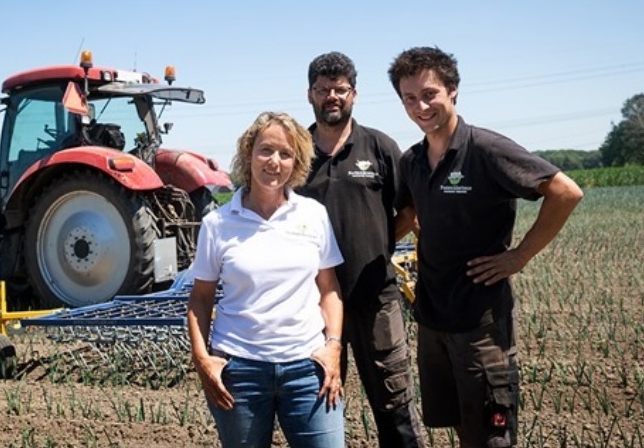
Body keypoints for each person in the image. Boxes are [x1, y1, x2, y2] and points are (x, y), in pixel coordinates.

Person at [387, 46, 584, 447]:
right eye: (409, 98)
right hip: (433, 319)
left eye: (429, 94)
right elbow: (406, 216)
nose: (420, 106)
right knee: (460, 424)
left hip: (482, 324)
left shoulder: (486, 149)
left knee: (492, 438)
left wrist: (519, 256)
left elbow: (566, 192)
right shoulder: (413, 161)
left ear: (453, 90)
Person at [186, 111, 346, 448]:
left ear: (297, 162)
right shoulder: (218, 223)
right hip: (240, 372)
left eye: (286, 154)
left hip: (306, 368)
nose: (274, 162)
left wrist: (332, 347)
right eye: (266, 150)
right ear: (248, 154)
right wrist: (203, 360)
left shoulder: (313, 215)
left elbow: (329, 290)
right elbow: (200, 299)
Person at [296, 51, 426, 447]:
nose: (332, 97)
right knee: (320, 398)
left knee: (394, 400)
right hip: (311, 302)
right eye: (323, 90)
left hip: (375, 296)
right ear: (310, 94)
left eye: (340, 89)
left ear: (354, 93)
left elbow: (411, 207)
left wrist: (382, 239)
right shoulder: (296, 152)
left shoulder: (380, 147)